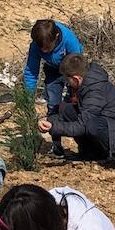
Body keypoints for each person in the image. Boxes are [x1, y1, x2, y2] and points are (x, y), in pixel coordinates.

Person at [39, 53, 115, 172]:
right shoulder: (82, 85)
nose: (66, 83)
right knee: (66, 109)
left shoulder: (94, 89)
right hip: (110, 122)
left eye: (67, 79)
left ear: (76, 78)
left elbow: (82, 125)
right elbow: (68, 112)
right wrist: (51, 121)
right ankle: (90, 153)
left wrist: (53, 127)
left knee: (92, 125)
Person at [24, 19, 84, 156]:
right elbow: (31, 72)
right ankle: (57, 147)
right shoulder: (36, 46)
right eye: (41, 48)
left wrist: (74, 91)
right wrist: (28, 99)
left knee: (73, 106)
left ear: (56, 37)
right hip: (53, 71)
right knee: (53, 106)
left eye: (47, 47)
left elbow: (78, 66)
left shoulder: (69, 40)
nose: (44, 51)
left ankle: (83, 144)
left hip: (72, 68)